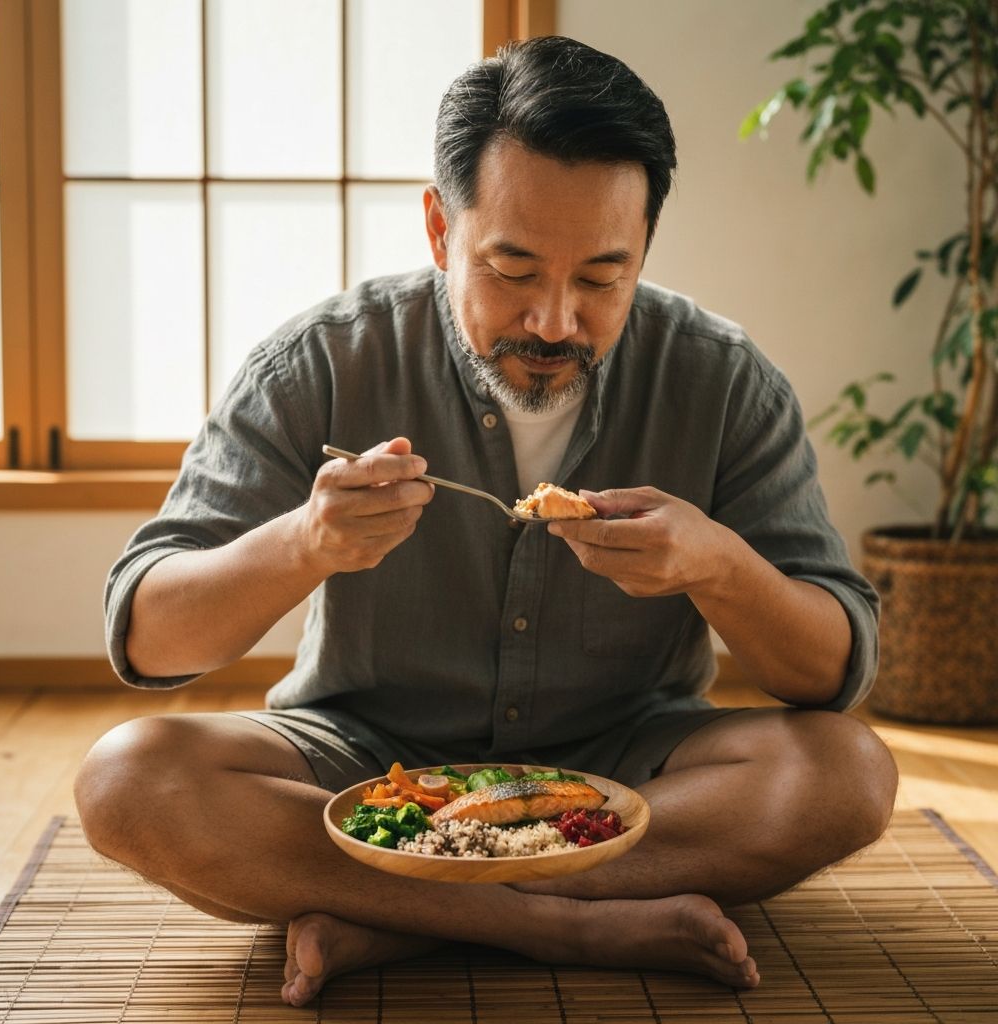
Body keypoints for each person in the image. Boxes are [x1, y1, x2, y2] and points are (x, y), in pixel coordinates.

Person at [76, 35, 897, 1004]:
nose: (554, 321)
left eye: (601, 278)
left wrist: (714, 567)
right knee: (127, 777)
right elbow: (148, 635)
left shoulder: (720, 379)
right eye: (511, 268)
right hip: (363, 763)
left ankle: (392, 919)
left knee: (846, 774)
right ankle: (560, 924)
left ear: (644, 248)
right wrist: (304, 542)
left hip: (629, 767)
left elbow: (834, 668)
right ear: (437, 228)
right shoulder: (319, 363)